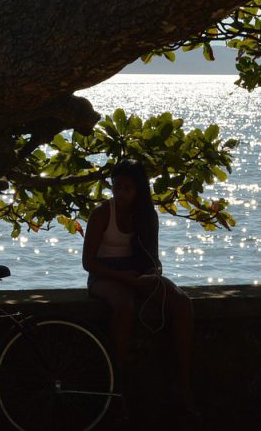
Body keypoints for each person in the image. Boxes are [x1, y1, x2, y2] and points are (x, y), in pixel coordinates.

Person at [81, 159, 198, 423]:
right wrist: (123, 278)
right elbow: (89, 263)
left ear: (139, 190)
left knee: (181, 303)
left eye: (127, 188)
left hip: (136, 272)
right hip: (105, 275)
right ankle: (118, 390)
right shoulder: (101, 213)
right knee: (125, 307)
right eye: (116, 187)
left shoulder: (147, 215)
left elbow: (152, 258)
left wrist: (152, 273)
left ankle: (183, 382)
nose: (120, 194)